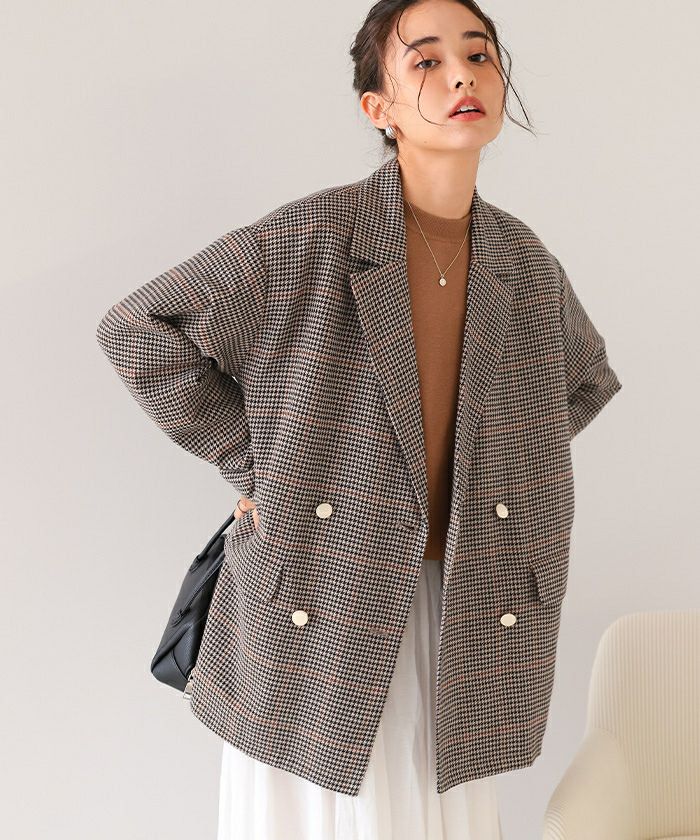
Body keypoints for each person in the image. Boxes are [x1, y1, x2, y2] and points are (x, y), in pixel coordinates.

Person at [218, 1, 528, 837]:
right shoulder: (312, 234)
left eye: (479, 55)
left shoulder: (522, 260)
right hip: (326, 587)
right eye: (426, 61)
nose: (462, 76)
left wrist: (483, 475)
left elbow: (574, 383)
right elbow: (142, 334)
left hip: (455, 599)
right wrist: (257, 465)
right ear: (378, 108)